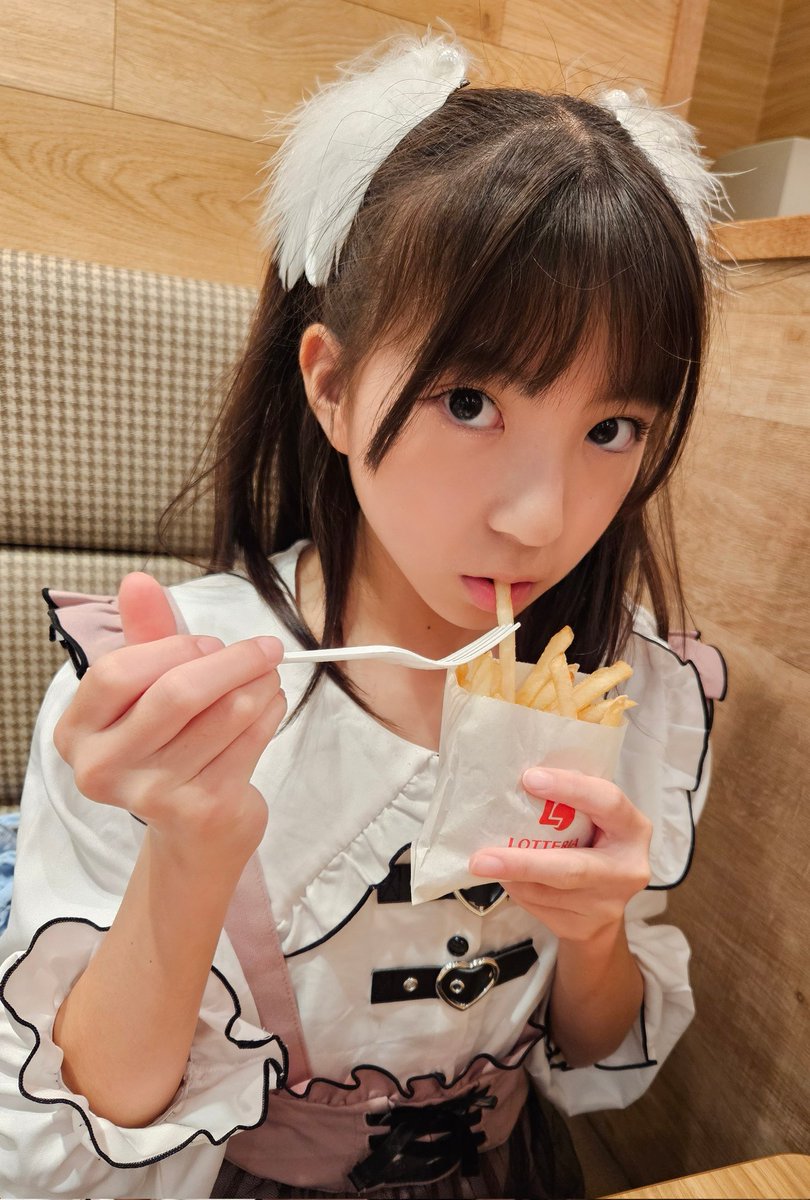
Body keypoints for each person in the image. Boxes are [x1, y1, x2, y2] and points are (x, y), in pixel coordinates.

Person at [0, 29, 728, 1200]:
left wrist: (595, 932)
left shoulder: (622, 688)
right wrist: (189, 852)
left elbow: (597, 1059)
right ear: (332, 384)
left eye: (612, 429)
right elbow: (69, 1150)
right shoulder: (168, 688)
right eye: (470, 400)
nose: (543, 518)